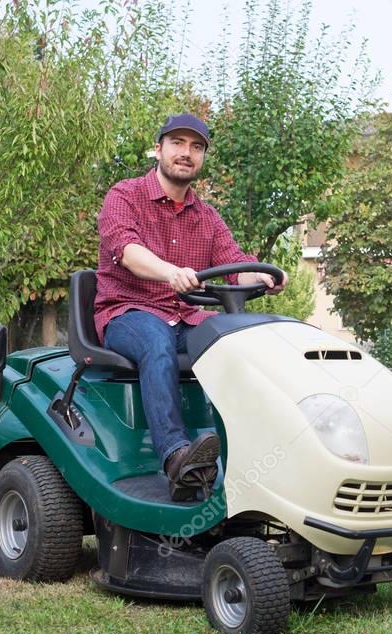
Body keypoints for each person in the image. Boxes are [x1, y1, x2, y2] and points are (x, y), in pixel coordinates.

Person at [94, 113, 285, 501]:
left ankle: (249, 455)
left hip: (187, 316)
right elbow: (127, 251)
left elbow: (235, 267)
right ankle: (177, 457)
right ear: (159, 148)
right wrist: (170, 273)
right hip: (129, 312)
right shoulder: (124, 196)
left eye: (196, 147)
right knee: (156, 342)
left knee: (240, 345)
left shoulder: (208, 217)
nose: (186, 153)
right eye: (178, 144)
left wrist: (263, 277)